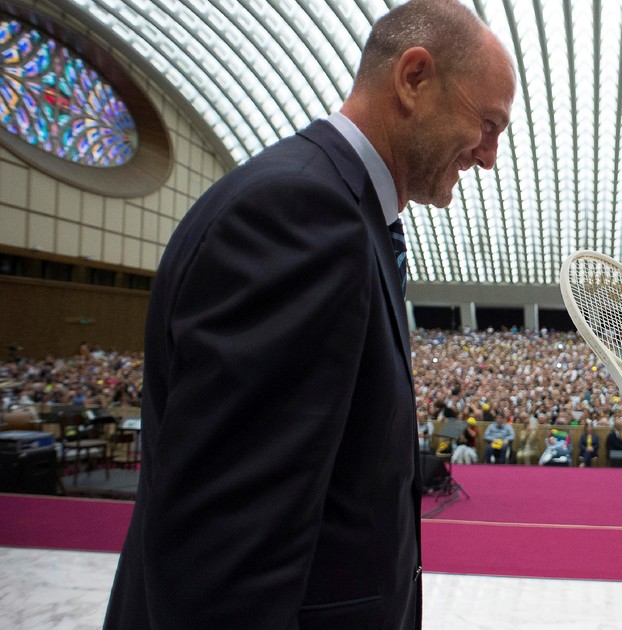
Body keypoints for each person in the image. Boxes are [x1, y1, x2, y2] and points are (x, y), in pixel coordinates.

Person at [102, 2, 515, 628]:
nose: (488, 156)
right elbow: (227, 554)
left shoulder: (322, 203)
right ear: (413, 79)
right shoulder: (302, 216)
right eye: (487, 123)